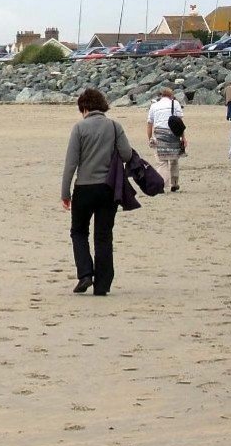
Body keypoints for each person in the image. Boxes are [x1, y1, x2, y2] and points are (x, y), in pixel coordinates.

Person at [61, 88, 133, 296]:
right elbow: (127, 154)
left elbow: (71, 164)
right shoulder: (114, 126)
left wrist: (65, 193)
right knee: (103, 236)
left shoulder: (79, 128)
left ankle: (85, 274)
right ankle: (102, 285)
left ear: (84, 108)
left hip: (84, 187)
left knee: (79, 231)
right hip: (108, 189)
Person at [146, 88, 186, 192]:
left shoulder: (154, 106)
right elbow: (180, 123)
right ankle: (174, 183)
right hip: (173, 134)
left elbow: (149, 124)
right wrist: (183, 137)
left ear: (161, 95)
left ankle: (162, 185)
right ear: (171, 95)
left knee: (161, 162)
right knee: (174, 160)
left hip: (159, 134)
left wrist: (149, 138)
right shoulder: (175, 103)